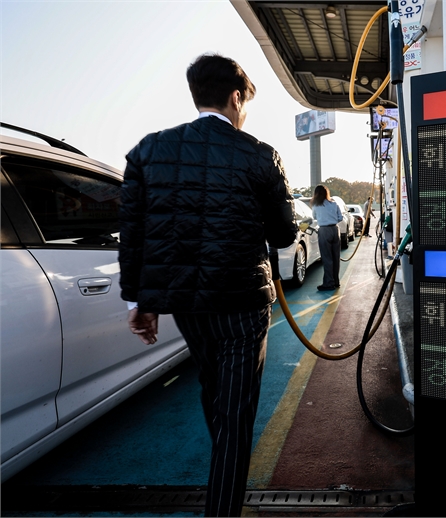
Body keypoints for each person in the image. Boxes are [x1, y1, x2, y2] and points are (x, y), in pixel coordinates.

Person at [118, 53, 297, 517]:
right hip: (243, 304)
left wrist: (140, 300)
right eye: (245, 103)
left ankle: (223, 466)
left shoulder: (147, 151)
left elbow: (134, 233)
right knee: (234, 416)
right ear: (236, 98)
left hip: (186, 305)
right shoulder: (260, 154)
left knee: (214, 389)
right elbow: (284, 234)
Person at [310, 185, 343, 291]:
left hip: (324, 230)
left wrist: (323, 219)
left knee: (327, 258)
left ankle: (329, 283)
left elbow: (314, 217)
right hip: (335, 230)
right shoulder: (334, 204)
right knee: (336, 257)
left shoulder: (316, 205)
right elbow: (340, 217)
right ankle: (336, 281)